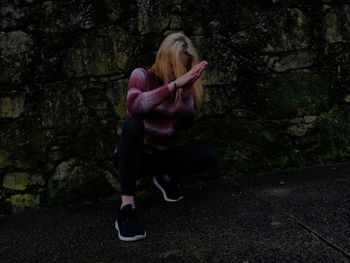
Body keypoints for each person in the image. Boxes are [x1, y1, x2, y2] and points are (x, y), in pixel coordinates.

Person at [114, 32, 218, 242]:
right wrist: (174, 87)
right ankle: (126, 209)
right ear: (163, 58)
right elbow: (134, 107)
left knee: (209, 156)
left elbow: (186, 124)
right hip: (135, 158)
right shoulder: (141, 75)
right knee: (132, 125)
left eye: (183, 67)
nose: (177, 72)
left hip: (163, 154)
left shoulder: (182, 88)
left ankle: (163, 177)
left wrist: (187, 93)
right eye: (174, 66)